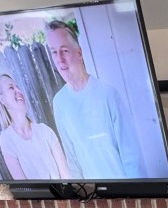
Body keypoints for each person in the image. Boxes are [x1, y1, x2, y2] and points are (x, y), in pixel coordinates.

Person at [45, 20, 145, 180]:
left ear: (79, 53)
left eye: (65, 50)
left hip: (124, 190)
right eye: (54, 52)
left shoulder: (108, 95)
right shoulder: (60, 103)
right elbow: (72, 159)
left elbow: (132, 157)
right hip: (91, 193)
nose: (60, 59)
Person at [0, 73, 73, 182]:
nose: (18, 91)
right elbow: (24, 185)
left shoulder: (45, 131)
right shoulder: (6, 139)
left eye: (18, 87)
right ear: (2, 100)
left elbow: (66, 176)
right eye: (11, 88)